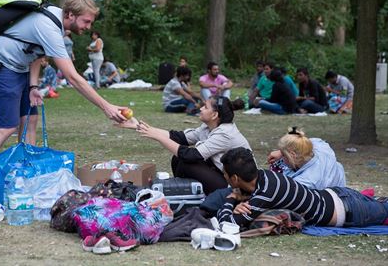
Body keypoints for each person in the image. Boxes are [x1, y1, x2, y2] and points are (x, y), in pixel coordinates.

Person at [0, 0, 128, 203]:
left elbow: (37, 55)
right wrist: (106, 106)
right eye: (86, 21)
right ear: (70, 14)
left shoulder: (56, 23)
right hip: (0, 65)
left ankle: (26, 174)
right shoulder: (48, 26)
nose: (87, 26)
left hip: (19, 68)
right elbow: (73, 78)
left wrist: (32, 86)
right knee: (7, 126)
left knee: (31, 119)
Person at [217, 147, 388, 228]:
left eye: (225, 174)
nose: (224, 177)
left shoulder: (266, 194)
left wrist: (230, 200)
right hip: (338, 196)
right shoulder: (264, 177)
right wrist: (239, 202)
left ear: (235, 178)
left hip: (348, 211)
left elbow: (227, 223)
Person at [136, 96, 251, 195]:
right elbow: (180, 137)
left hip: (235, 186)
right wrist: (140, 126)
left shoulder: (224, 133)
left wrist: (158, 136)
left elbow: (191, 155)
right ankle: (183, 193)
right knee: (178, 158)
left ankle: (186, 194)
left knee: (186, 161)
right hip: (221, 174)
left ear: (214, 115)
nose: (200, 108)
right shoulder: (208, 127)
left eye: (205, 107)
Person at [267, 127, 346, 190]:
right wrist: (281, 152)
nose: (282, 158)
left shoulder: (305, 182)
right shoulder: (321, 147)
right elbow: (304, 142)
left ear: (292, 155)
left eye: (284, 155)